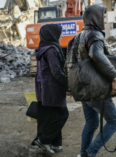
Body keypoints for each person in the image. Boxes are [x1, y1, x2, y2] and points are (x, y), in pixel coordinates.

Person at [71, 5, 116, 157]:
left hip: (83, 88)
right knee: (114, 122)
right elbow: (96, 55)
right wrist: (115, 77)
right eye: (104, 16)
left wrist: (70, 87)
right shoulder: (95, 34)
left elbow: (69, 63)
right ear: (96, 18)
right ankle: (90, 153)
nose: (106, 19)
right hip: (95, 88)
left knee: (92, 122)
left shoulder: (77, 37)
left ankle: (83, 153)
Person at [32, 24, 69, 155]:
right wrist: (68, 85)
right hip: (52, 89)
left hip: (44, 89)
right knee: (63, 115)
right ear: (53, 35)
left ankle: (55, 144)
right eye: (60, 33)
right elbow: (57, 71)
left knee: (51, 116)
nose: (62, 36)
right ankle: (43, 140)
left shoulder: (42, 48)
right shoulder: (52, 49)